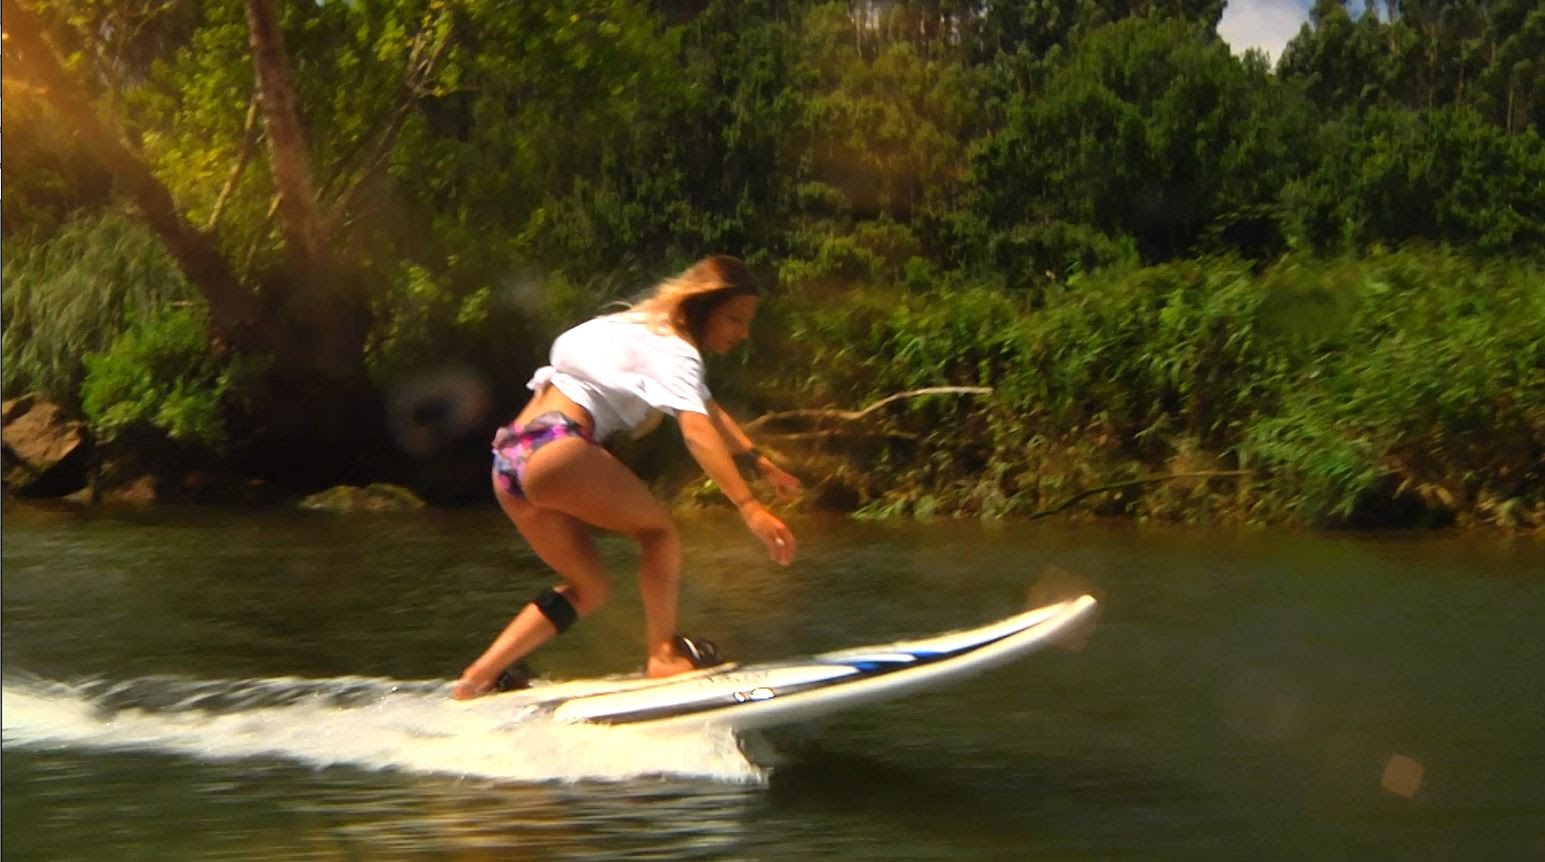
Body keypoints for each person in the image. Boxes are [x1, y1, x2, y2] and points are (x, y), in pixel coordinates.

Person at [452, 255, 801, 699]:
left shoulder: (627, 326)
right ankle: (663, 657)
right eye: (736, 318)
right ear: (702, 307)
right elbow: (696, 431)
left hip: (509, 459)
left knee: (590, 587)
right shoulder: (676, 351)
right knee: (660, 535)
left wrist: (756, 459)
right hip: (557, 448)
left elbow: (708, 411)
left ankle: (478, 677)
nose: (743, 332)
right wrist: (749, 507)